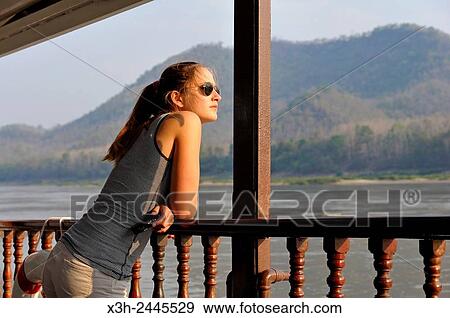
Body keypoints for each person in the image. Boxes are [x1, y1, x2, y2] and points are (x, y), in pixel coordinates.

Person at [42, 61, 221, 297]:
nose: (216, 96)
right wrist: (172, 208)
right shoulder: (185, 120)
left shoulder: (151, 124)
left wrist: (166, 207)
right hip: (94, 273)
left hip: (64, 256)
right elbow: (185, 208)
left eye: (217, 89)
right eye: (206, 88)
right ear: (177, 97)